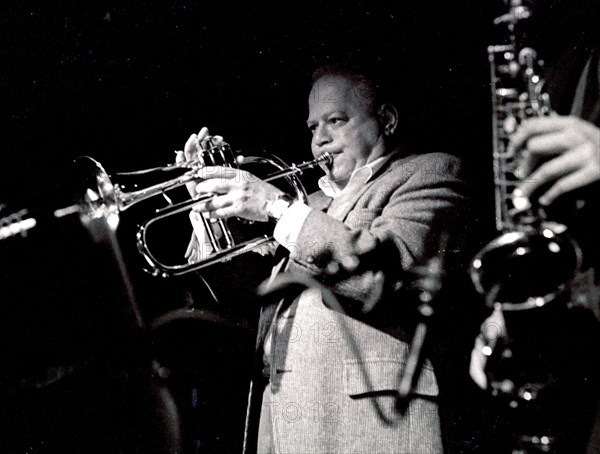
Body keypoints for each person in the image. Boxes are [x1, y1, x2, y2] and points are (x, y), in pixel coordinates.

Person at [178, 59, 471, 453]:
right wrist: (210, 206)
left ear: (386, 119)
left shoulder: (429, 172)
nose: (320, 140)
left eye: (335, 120)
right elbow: (247, 300)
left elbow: (384, 276)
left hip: (371, 425)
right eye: (313, 127)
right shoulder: (310, 203)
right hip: (283, 425)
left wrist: (277, 207)